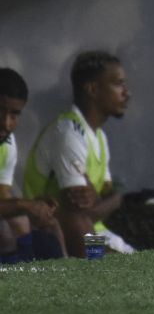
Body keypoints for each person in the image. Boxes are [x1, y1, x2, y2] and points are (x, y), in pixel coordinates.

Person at [22, 52, 135, 258]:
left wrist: (114, 197)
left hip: (95, 233)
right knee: (119, 270)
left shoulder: (98, 135)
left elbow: (106, 196)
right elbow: (79, 214)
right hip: (60, 237)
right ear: (92, 89)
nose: (127, 92)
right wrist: (113, 199)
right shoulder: (68, 133)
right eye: (118, 84)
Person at [0, 68, 67, 262]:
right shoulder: (68, 132)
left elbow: (3, 198)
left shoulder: (7, 144)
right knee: (6, 232)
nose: (6, 123)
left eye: (14, 114)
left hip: (99, 233)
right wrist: (24, 205)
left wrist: (34, 206)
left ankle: (65, 278)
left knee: (50, 223)